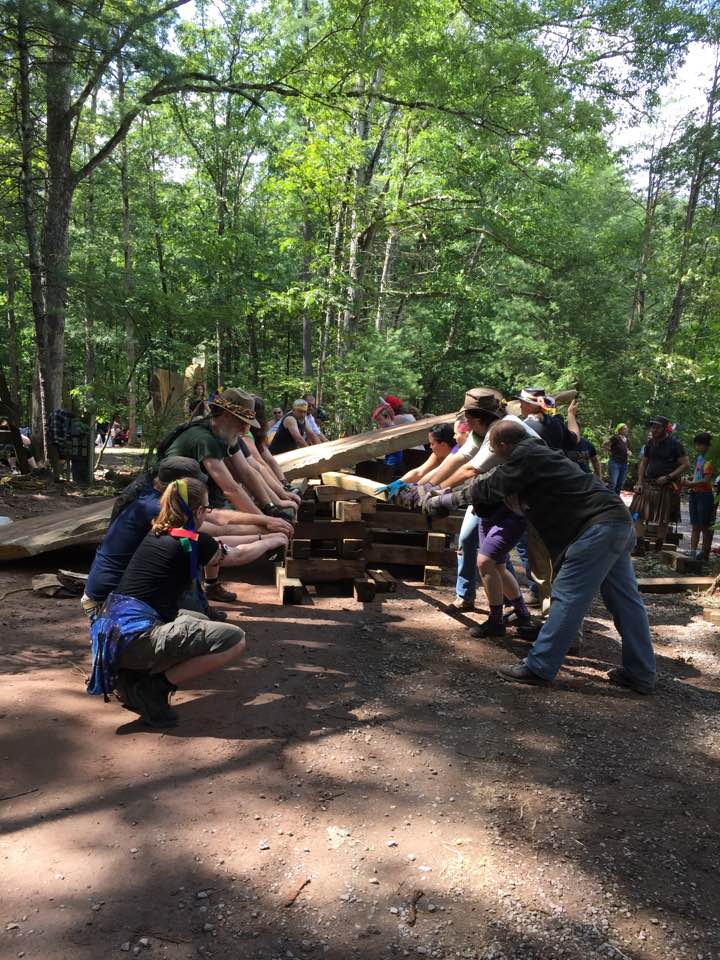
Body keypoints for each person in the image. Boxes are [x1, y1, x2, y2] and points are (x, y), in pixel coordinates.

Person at [425, 420, 656, 693]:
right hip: (617, 522)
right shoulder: (540, 452)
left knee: (567, 599)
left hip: (596, 529)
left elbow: (486, 487)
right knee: (626, 602)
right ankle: (640, 672)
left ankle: (539, 666)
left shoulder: (525, 456)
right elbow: (492, 485)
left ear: (500, 446)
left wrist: (438, 501)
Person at [87, 478, 247, 727]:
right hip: (132, 641)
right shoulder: (192, 541)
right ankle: (153, 688)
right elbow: (237, 554)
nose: (208, 512)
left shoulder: (156, 533)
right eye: (207, 507)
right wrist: (274, 539)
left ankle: (131, 679)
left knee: (199, 620)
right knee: (233, 639)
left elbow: (221, 545)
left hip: (112, 636)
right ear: (198, 511)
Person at [81, 457, 289, 621]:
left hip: (119, 591)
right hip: (109, 598)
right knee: (190, 556)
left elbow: (216, 517)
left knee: (191, 553)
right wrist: (267, 537)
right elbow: (214, 534)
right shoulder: (157, 509)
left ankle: (198, 610)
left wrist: (265, 522)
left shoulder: (161, 500)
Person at [160, 387, 297, 527]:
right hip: (177, 508)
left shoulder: (224, 433)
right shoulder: (205, 439)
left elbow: (247, 471)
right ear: (227, 415)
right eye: (242, 422)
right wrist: (265, 521)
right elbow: (230, 489)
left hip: (202, 502)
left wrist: (270, 507)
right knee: (252, 532)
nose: (245, 430)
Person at [631, 416, 689, 551]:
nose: (654, 430)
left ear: (664, 428)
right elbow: (644, 462)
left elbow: (685, 464)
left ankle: (658, 546)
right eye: (653, 427)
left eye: (657, 427)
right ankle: (639, 545)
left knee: (664, 518)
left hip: (666, 485)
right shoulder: (650, 443)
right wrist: (639, 481)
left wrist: (668, 477)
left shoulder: (675, 444)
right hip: (647, 483)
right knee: (635, 513)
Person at [513, 388, 580, 453]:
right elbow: (576, 438)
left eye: (522, 403)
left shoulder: (524, 428)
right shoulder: (556, 422)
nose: (520, 407)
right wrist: (571, 414)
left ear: (529, 406)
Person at [684, 432, 715, 561]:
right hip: (695, 493)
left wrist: (691, 484)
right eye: (696, 445)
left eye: (700, 445)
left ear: (707, 446)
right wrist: (689, 479)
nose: (697, 447)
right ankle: (692, 551)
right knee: (695, 525)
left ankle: (704, 552)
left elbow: (707, 479)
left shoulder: (709, 460)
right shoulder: (699, 458)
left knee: (704, 525)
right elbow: (698, 475)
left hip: (705, 495)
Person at [605, 423, 631, 494]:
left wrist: (629, 452)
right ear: (619, 430)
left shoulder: (627, 440)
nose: (626, 430)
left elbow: (628, 449)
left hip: (624, 464)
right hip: (614, 463)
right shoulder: (615, 438)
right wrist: (611, 451)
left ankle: (616, 500)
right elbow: (605, 445)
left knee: (620, 484)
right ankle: (609, 501)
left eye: (626, 428)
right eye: (624, 428)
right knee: (613, 483)